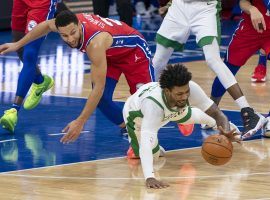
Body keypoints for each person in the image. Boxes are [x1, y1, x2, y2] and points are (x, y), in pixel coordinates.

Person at [0, 10, 154, 141]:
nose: (70, 39)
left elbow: (98, 88)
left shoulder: (95, 43)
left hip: (133, 51)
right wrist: (17, 44)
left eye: (73, 33)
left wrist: (81, 121)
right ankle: (130, 128)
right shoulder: (65, 23)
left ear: (79, 25)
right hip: (109, 54)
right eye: (64, 36)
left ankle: (177, 116)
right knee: (102, 100)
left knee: (148, 101)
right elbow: (45, 25)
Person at [151, 0, 267, 139]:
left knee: (213, 59)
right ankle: (154, 109)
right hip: (178, 7)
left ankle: (247, 110)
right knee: (157, 62)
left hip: (205, 8)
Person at [123, 63, 240, 189]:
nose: (184, 96)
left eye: (186, 92)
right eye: (180, 94)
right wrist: (150, 177)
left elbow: (217, 113)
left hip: (171, 109)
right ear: (167, 91)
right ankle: (136, 146)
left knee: (206, 116)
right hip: (138, 119)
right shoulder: (153, 106)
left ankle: (184, 120)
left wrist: (225, 132)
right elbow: (146, 141)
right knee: (153, 155)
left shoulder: (189, 90)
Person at [211, 0, 270, 138]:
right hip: (249, 29)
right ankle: (212, 111)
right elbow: (244, 1)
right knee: (226, 70)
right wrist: (252, 9)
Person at [0, 0, 58, 133]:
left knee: (29, 53)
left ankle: (13, 111)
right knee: (18, 45)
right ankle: (40, 81)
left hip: (42, 3)